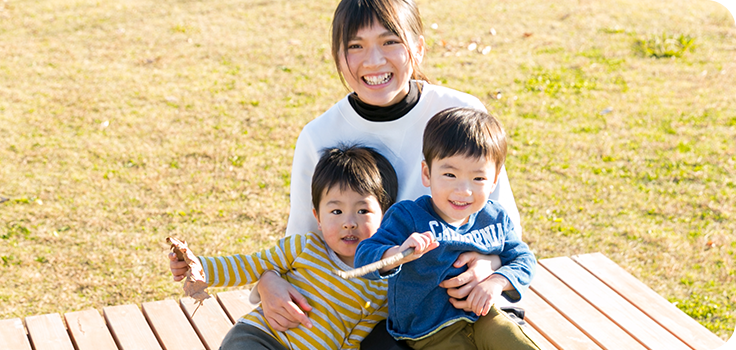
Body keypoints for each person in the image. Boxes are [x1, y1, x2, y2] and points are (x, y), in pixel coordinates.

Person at [254, 0, 524, 345]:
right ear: (338, 57)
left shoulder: (462, 113)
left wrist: (490, 264)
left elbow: (505, 226)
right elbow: (301, 240)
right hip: (379, 315)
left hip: (470, 302)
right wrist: (267, 281)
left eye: (390, 41)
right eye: (355, 46)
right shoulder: (319, 136)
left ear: (419, 48)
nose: (374, 60)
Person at [168, 145, 398, 349]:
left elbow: (354, 337)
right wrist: (200, 267)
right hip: (258, 338)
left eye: (363, 211)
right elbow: (251, 265)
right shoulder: (305, 247)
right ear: (318, 218)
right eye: (336, 211)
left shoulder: (381, 284)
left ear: (385, 216)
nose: (349, 222)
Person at [355, 107, 539, 349]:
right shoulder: (409, 217)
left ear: (494, 181)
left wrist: (496, 282)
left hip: (481, 316)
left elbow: (524, 259)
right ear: (427, 173)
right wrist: (398, 253)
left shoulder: (495, 218)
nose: (463, 190)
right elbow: (363, 258)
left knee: (514, 340)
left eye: (478, 178)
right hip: (426, 331)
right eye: (450, 174)